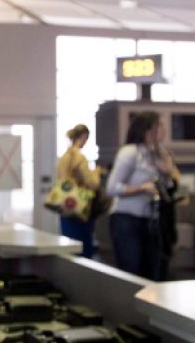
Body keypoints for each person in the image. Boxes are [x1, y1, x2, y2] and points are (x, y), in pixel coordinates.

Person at [106, 111, 179, 281]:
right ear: (147, 130)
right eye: (159, 126)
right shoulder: (131, 152)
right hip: (126, 218)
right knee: (131, 271)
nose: (164, 129)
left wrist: (167, 172)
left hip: (150, 219)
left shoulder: (158, 153)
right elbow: (112, 188)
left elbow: (166, 188)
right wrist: (141, 188)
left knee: (151, 270)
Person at [55, 124, 101, 259]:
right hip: (80, 204)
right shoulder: (79, 158)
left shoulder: (64, 157)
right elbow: (92, 183)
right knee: (83, 245)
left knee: (69, 241)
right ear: (84, 137)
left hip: (65, 202)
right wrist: (96, 173)